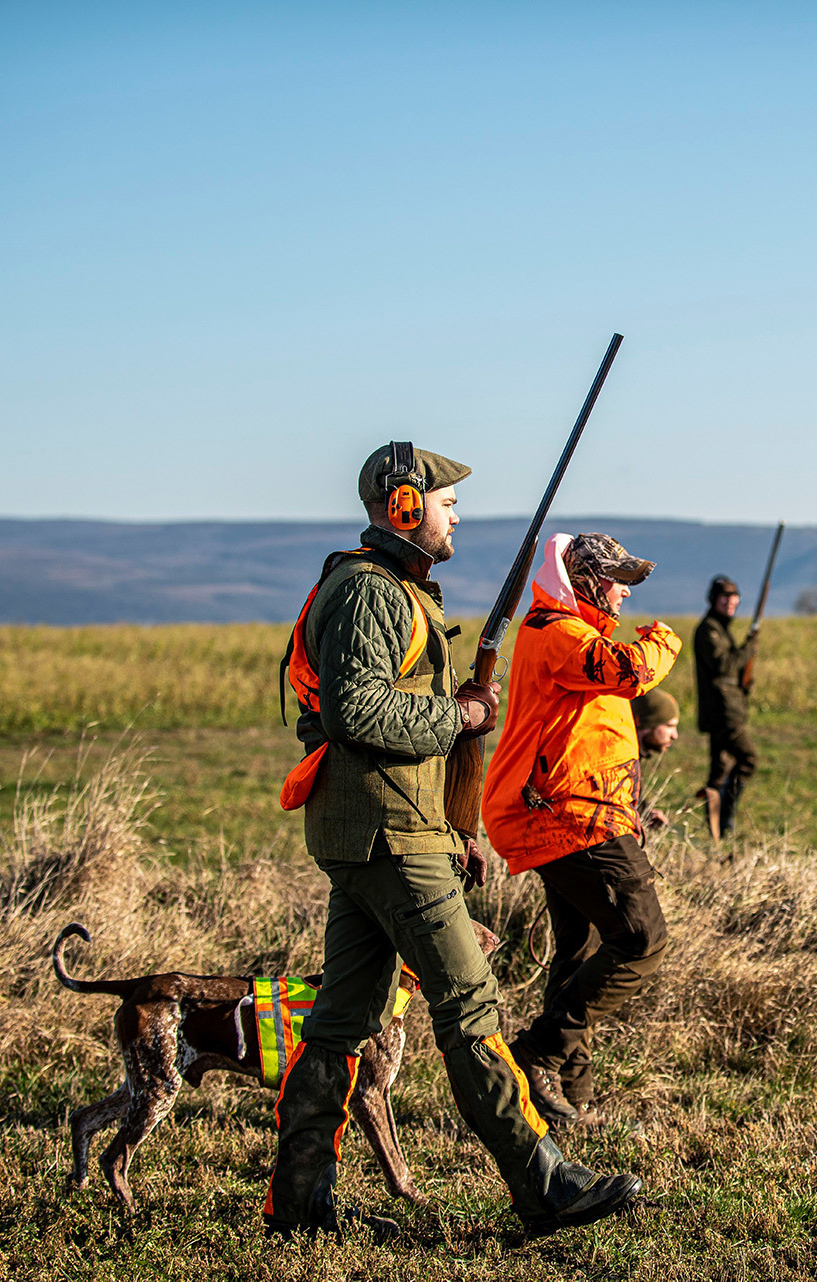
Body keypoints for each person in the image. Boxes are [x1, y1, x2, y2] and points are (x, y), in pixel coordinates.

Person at [269, 444, 640, 1241]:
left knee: (338, 1025)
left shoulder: (388, 590)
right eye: (445, 502)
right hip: (389, 836)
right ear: (404, 508)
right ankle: (544, 1187)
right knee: (469, 1008)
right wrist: (463, 717)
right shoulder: (373, 594)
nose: (455, 515)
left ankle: (299, 1209)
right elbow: (357, 715)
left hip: (384, 829)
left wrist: (452, 825)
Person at [481, 532, 681, 1129]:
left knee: (581, 951)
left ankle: (570, 1095)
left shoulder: (572, 634)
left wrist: (628, 811)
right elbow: (633, 671)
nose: (624, 591)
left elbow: (589, 741)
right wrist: (664, 636)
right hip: (567, 817)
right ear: (589, 581)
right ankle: (537, 1056)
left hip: (578, 812)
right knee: (642, 939)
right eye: (617, 579)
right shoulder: (559, 635)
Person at [692, 574, 758, 839]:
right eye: (725, 598)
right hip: (722, 711)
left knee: (719, 771)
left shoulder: (719, 627)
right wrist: (749, 649)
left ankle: (716, 828)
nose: (730, 603)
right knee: (748, 759)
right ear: (714, 600)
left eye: (734, 598)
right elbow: (724, 665)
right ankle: (726, 818)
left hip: (725, 708)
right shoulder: (709, 629)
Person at [632, 688, 680, 830]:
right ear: (648, 723)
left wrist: (645, 814)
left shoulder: (633, 756)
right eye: (669, 726)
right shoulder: (619, 759)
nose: (675, 735)